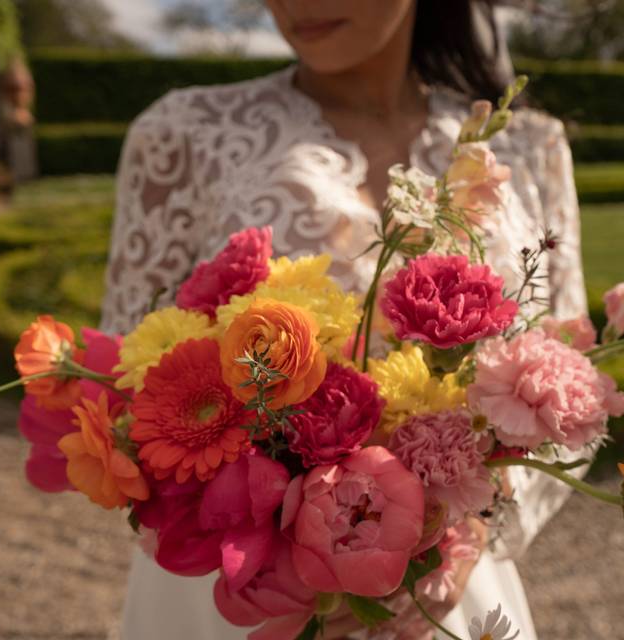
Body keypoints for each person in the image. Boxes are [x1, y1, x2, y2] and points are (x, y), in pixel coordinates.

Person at [100, 1, 588, 638]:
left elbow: (572, 384)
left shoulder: (530, 146)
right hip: (241, 596)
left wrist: (467, 527)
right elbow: (122, 395)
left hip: (443, 597)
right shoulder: (182, 135)